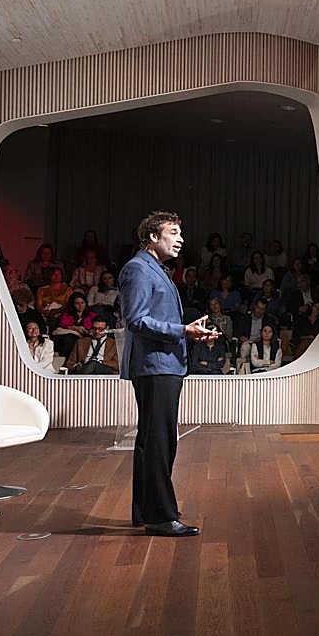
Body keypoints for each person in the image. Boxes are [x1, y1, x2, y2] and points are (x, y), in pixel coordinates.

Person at [119, 211, 216, 537]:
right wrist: (182, 331)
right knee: (159, 442)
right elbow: (135, 320)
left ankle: (144, 510)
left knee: (152, 441)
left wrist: (191, 333)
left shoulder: (154, 270)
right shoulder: (138, 269)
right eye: (173, 232)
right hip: (155, 366)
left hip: (163, 364)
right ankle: (160, 517)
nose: (180, 239)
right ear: (152, 237)